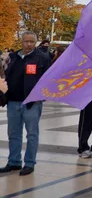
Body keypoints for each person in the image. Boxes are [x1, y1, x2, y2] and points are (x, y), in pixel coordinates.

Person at [1, 31, 50, 176]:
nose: (28, 44)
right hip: (13, 101)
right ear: (21, 41)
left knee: (32, 134)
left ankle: (29, 163)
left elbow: (47, 79)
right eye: (26, 41)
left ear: (35, 43)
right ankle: (14, 161)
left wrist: (39, 96)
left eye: (31, 42)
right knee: (13, 133)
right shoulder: (13, 57)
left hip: (32, 102)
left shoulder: (42, 58)